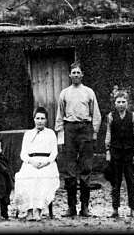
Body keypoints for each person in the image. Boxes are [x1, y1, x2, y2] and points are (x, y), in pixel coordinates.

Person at [54, 61, 102, 217]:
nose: (75, 75)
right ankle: (71, 207)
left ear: (82, 75)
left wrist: (94, 133)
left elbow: (96, 114)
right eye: (73, 72)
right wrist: (60, 137)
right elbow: (60, 116)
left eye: (78, 73)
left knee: (86, 169)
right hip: (70, 130)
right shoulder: (64, 93)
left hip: (85, 129)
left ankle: (85, 207)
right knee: (69, 170)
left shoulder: (89, 92)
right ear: (69, 75)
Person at [11, 107, 60, 221]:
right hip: (31, 163)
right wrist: (32, 161)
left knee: (41, 178)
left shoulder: (51, 133)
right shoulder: (28, 134)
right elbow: (23, 154)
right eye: (37, 118)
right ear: (34, 119)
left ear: (46, 120)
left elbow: (54, 153)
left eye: (42, 118)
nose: (40, 121)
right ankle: (28, 210)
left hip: (47, 164)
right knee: (24, 178)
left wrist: (45, 163)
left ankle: (38, 210)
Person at [104, 86, 134, 218]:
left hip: (129, 153)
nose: (121, 104)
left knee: (131, 182)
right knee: (116, 181)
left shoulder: (132, 116)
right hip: (115, 152)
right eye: (118, 102)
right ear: (115, 103)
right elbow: (108, 133)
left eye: (123, 102)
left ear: (127, 103)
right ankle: (115, 209)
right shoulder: (111, 116)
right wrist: (107, 150)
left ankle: (133, 209)